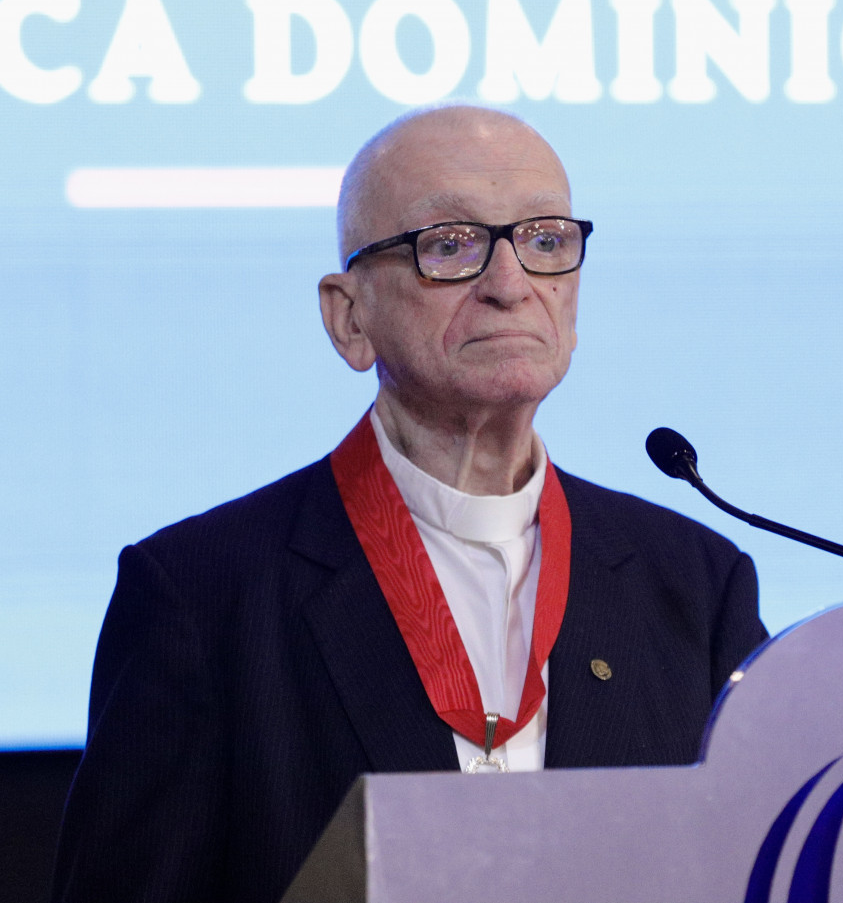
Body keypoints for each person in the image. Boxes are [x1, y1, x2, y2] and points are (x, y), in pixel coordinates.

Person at [50, 106, 766, 903]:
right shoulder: (201, 595)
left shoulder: (694, 583)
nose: (510, 286)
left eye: (545, 240)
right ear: (349, 318)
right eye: (449, 245)